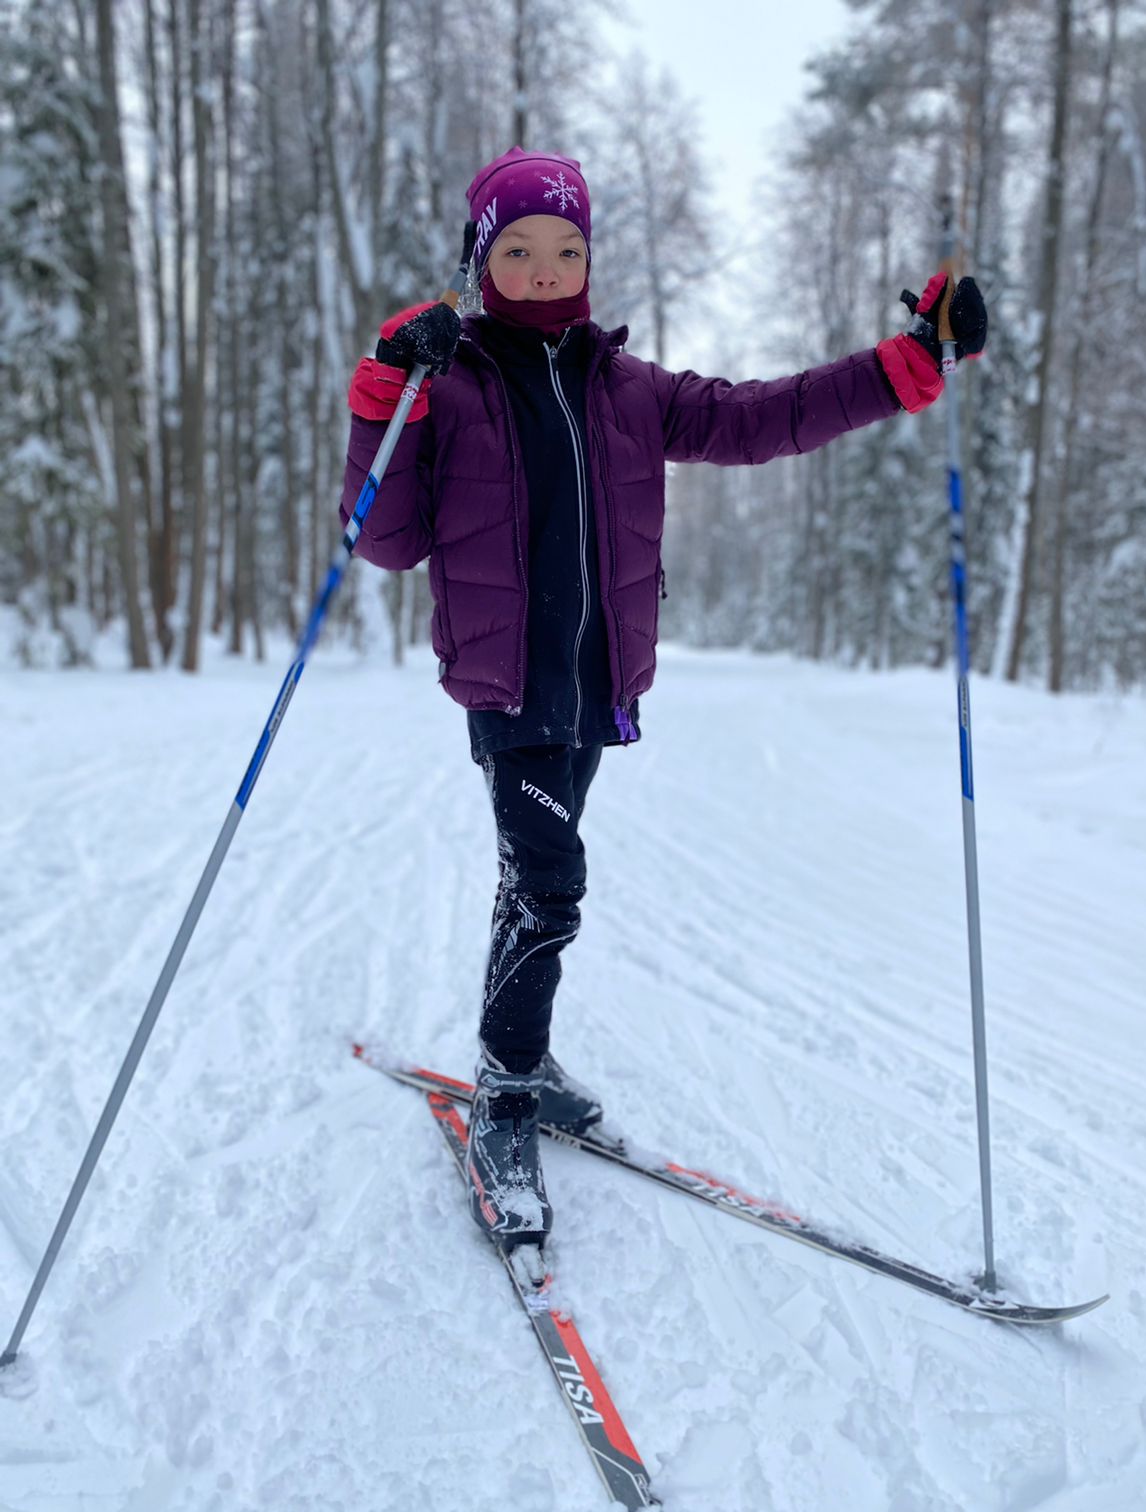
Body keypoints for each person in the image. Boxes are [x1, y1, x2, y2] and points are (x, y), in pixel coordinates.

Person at [340, 146, 987, 1257]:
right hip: (507, 685)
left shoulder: (628, 389)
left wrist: (906, 364)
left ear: (589, 259)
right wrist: (383, 392)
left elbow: (766, 416)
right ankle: (504, 1098)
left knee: (531, 881)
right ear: (481, 260)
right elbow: (383, 540)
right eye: (518, 250)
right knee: (551, 885)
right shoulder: (449, 386)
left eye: (566, 248)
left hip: (595, 683)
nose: (545, 269)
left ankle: (522, 1053)